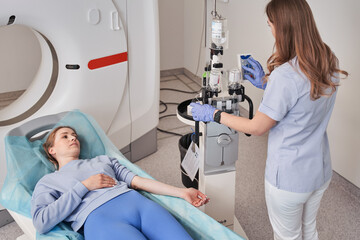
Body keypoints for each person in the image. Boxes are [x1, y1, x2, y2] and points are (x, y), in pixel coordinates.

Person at [190, 0, 348, 239]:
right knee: (309, 230)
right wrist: (266, 82)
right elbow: (304, 98)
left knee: (288, 236)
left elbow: (257, 127)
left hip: (289, 178)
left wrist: (214, 114)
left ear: (283, 28)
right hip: (319, 171)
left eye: (270, 25)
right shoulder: (327, 58)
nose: (271, 30)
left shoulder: (285, 76)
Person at [31, 126, 209, 240]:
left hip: (141, 207)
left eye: (74, 135)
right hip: (102, 222)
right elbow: (41, 222)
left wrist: (182, 192)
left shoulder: (103, 161)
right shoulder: (48, 182)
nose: (73, 138)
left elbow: (137, 181)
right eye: (65, 136)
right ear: (51, 150)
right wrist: (84, 186)